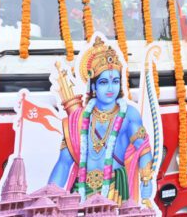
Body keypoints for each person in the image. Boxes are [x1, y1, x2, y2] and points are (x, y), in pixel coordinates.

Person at [49, 38, 154, 203]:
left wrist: (146, 183)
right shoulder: (77, 119)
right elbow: (63, 163)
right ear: (93, 86)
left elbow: (143, 150)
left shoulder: (128, 114)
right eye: (104, 82)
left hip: (115, 190)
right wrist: (49, 196)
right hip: (81, 189)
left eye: (116, 81)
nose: (111, 88)